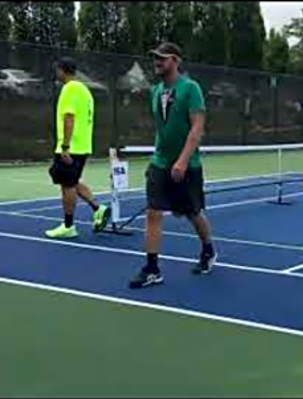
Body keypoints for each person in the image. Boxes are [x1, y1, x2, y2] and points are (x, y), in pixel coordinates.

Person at [129, 42, 216, 289]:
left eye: (162, 58)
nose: (157, 62)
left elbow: (197, 127)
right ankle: (152, 268)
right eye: (155, 58)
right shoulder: (155, 91)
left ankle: (208, 250)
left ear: (175, 61)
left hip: (187, 164)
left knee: (191, 212)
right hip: (161, 163)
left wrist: (183, 160)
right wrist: (156, 159)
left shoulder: (191, 88)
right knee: (153, 212)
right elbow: (162, 129)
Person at [45, 57, 110, 239]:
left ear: (62, 70)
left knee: (67, 185)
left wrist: (65, 146)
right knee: (71, 181)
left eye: (57, 69)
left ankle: (68, 226)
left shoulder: (70, 89)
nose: (56, 73)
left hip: (71, 146)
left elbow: (69, 118)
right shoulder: (84, 90)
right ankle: (98, 208)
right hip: (82, 145)